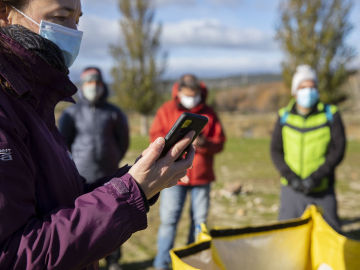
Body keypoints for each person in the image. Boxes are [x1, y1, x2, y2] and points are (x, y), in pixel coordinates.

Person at [0, 1, 195, 269]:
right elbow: (13, 256)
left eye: (78, 20)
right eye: (60, 17)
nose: (73, 31)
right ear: (5, 14)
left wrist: (136, 179)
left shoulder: (34, 101)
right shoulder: (9, 108)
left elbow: (65, 203)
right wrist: (132, 190)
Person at [151, 74, 226, 270]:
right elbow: (155, 138)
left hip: (202, 177)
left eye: (195, 95)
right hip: (173, 176)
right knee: (169, 221)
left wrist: (205, 143)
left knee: (199, 222)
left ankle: (193, 264)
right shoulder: (166, 110)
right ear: (180, 92)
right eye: (188, 95)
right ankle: (162, 264)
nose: (191, 98)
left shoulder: (210, 113)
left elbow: (220, 143)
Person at [58, 67, 129, 270]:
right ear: (82, 85)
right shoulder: (70, 113)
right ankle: (88, 260)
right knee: (87, 222)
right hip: (81, 178)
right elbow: (63, 144)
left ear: (103, 84)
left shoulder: (114, 113)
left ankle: (114, 260)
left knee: (115, 219)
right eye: (89, 82)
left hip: (109, 175)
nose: (93, 86)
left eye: (97, 81)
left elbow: (122, 142)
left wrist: (112, 159)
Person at [271, 65, 346, 231]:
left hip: (322, 188)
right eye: (303, 87)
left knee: (329, 235)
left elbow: (338, 149)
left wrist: (316, 177)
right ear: (294, 91)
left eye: (312, 87)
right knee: (287, 235)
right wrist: (291, 178)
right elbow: (275, 150)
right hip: (292, 189)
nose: (308, 91)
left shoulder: (331, 114)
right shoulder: (284, 116)